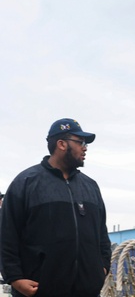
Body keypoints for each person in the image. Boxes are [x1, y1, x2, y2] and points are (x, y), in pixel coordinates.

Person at [0, 118, 111, 297]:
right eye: (80, 142)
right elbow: (7, 235)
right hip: (39, 292)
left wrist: (101, 269)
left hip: (87, 291)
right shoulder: (26, 183)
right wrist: (14, 278)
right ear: (61, 144)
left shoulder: (90, 186)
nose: (85, 148)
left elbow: (102, 236)